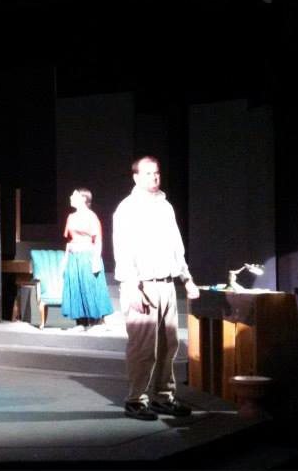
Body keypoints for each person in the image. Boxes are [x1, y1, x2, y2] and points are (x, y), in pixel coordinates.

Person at [112, 156, 200, 421]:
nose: (154, 177)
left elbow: (176, 246)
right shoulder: (127, 208)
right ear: (136, 177)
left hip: (166, 284)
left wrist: (186, 278)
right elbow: (123, 249)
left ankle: (163, 397)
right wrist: (131, 286)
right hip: (142, 285)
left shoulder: (165, 206)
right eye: (148, 173)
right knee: (143, 349)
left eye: (157, 173)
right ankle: (136, 400)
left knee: (169, 345)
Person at [60, 188, 114, 330]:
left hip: (87, 256)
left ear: (83, 198)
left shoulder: (91, 216)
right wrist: (65, 260)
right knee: (76, 287)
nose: (71, 197)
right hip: (74, 257)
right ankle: (81, 322)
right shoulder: (71, 217)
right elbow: (69, 241)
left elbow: (98, 240)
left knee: (90, 287)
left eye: (74, 195)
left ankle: (98, 321)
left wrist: (96, 259)